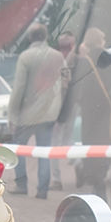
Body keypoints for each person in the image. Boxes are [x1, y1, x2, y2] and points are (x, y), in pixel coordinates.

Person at [7, 22, 65, 199]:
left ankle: (22, 184)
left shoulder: (25, 57)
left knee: (19, 150)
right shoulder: (58, 57)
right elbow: (62, 85)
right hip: (49, 113)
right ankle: (42, 190)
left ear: (30, 37)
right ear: (46, 36)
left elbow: (19, 88)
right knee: (44, 152)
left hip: (28, 114)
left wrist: (12, 114)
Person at [64, 27, 111, 198]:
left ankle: (94, 180)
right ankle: (100, 179)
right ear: (101, 41)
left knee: (90, 146)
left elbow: (75, 89)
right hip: (108, 112)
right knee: (107, 146)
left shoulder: (83, 62)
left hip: (90, 113)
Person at [50, 31, 77, 189]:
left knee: (59, 142)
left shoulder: (56, 59)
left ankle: (57, 178)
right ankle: (57, 176)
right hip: (66, 106)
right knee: (65, 141)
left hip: (63, 107)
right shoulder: (71, 58)